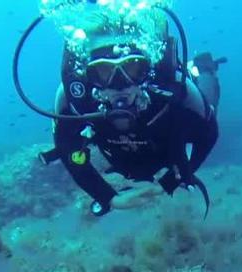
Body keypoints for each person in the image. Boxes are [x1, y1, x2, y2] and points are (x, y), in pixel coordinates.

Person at [36, 7, 225, 217]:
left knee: (208, 105)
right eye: (103, 72)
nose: (119, 85)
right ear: (88, 73)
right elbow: (66, 147)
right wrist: (109, 198)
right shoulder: (72, 98)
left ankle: (203, 69)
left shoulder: (174, 88)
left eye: (133, 68)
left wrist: (168, 183)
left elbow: (209, 135)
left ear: (149, 69)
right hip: (125, 159)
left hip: (166, 149)